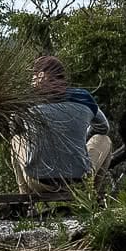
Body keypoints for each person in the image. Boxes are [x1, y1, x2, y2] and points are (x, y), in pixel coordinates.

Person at [11, 55, 112, 194]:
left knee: (16, 139)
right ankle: (91, 198)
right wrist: (83, 136)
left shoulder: (27, 100)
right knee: (104, 139)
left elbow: (14, 129)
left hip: (38, 183)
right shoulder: (83, 97)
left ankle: (26, 201)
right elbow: (104, 127)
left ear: (39, 76)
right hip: (79, 181)